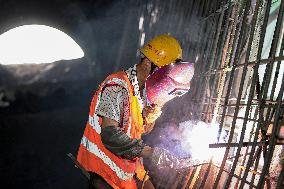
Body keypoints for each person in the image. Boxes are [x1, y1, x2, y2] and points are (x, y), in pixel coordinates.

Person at [77, 34, 184, 189]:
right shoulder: (116, 86)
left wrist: (151, 115)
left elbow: (141, 130)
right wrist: (151, 153)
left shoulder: (142, 91)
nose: (164, 80)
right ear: (147, 63)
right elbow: (110, 135)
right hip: (103, 174)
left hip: (126, 171)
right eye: (162, 73)